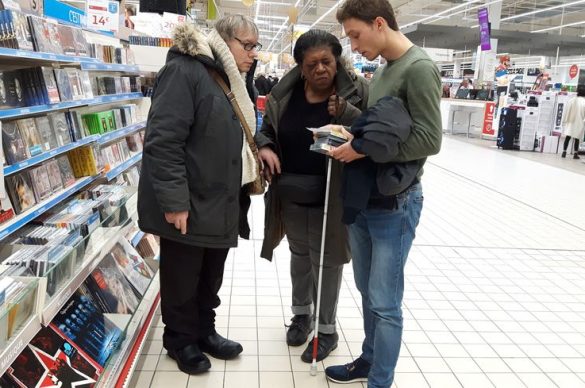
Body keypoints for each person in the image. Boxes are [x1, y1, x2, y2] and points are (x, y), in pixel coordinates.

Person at [326, 0, 442, 387]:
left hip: (397, 201)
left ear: (379, 23)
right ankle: (369, 360)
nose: (354, 46)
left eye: (356, 35)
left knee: (385, 300)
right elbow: (383, 130)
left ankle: (381, 380)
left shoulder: (419, 68)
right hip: (367, 196)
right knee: (366, 289)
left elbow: (429, 139)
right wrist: (351, 131)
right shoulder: (386, 70)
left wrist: (361, 148)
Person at [137, 15, 261, 374]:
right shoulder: (185, 72)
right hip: (190, 201)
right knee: (182, 276)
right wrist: (175, 202)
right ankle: (180, 340)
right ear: (223, 41)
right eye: (247, 45)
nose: (253, 54)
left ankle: (204, 331)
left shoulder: (230, 79)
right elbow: (163, 142)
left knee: (210, 273)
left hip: (220, 200)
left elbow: (241, 130)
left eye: (256, 47)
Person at [255, 29, 368, 362]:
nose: (321, 69)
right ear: (301, 68)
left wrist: (347, 112)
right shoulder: (284, 94)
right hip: (289, 191)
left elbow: (373, 131)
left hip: (333, 193)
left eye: (327, 62)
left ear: (337, 62)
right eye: (312, 64)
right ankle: (301, 315)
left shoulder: (355, 92)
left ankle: (327, 329)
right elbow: (267, 129)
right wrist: (265, 146)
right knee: (299, 254)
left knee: (328, 259)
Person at [561, 85, 585, 159]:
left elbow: (566, 110)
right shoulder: (584, 101)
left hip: (570, 121)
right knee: (577, 138)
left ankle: (564, 152)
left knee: (568, 136)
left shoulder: (572, 100)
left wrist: (564, 120)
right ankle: (575, 154)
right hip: (579, 122)